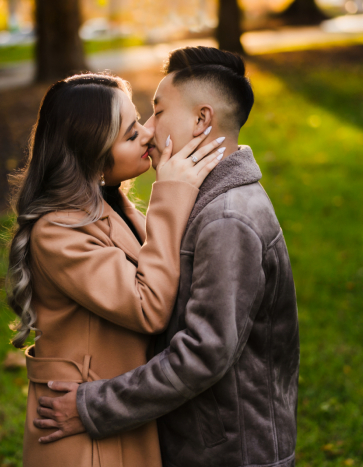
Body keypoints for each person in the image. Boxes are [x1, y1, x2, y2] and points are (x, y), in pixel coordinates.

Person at [34, 47, 300, 467]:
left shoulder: (226, 219)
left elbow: (201, 351)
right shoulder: (192, 205)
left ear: (201, 119)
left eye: (156, 113)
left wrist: (96, 405)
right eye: (136, 125)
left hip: (230, 452)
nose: (149, 131)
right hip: (174, 441)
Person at [5, 72, 225, 467]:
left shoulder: (111, 207)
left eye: (139, 121)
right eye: (129, 134)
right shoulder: (58, 232)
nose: (147, 135)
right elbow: (149, 306)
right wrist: (173, 192)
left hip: (116, 413)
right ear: (90, 156)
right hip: (83, 435)